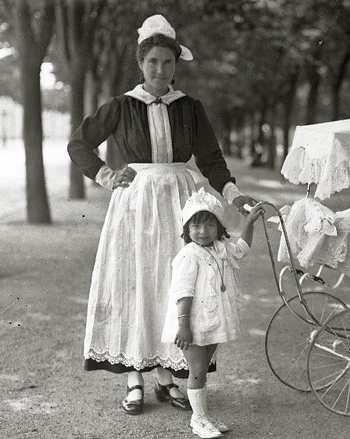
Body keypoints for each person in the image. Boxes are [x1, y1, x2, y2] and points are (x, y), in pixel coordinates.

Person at [67, 14, 257, 415]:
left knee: (174, 283)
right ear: (142, 63)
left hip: (180, 203)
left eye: (167, 63)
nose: (159, 70)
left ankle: (167, 377)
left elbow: (211, 159)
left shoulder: (189, 107)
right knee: (137, 281)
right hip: (136, 203)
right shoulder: (122, 106)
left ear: (176, 65)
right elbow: (80, 143)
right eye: (152, 62)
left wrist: (235, 196)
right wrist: (104, 174)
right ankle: (135, 378)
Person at [161, 188, 264, 439]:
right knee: (197, 368)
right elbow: (182, 292)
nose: (203, 232)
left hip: (212, 319)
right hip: (192, 322)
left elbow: (242, 248)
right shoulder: (188, 255)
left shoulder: (220, 248)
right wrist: (183, 325)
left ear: (218, 228)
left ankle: (203, 415)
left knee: (203, 368)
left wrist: (249, 222)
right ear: (187, 230)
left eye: (209, 225)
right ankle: (197, 419)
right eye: (195, 226)